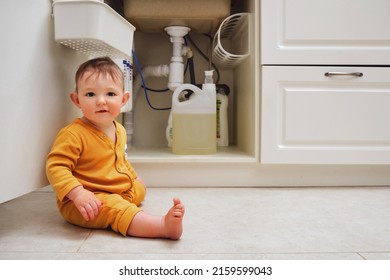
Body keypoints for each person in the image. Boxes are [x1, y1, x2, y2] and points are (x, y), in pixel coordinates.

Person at [46, 57, 184, 239]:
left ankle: (123, 202)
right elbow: (56, 167)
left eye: (110, 94)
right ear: (76, 100)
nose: (101, 101)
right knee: (116, 209)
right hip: (86, 200)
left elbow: (120, 161)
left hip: (115, 189)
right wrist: (78, 193)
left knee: (139, 189)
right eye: (90, 94)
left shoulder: (119, 129)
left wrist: (134, 177)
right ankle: (161, 226)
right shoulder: (73, 134)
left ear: (124, 99)